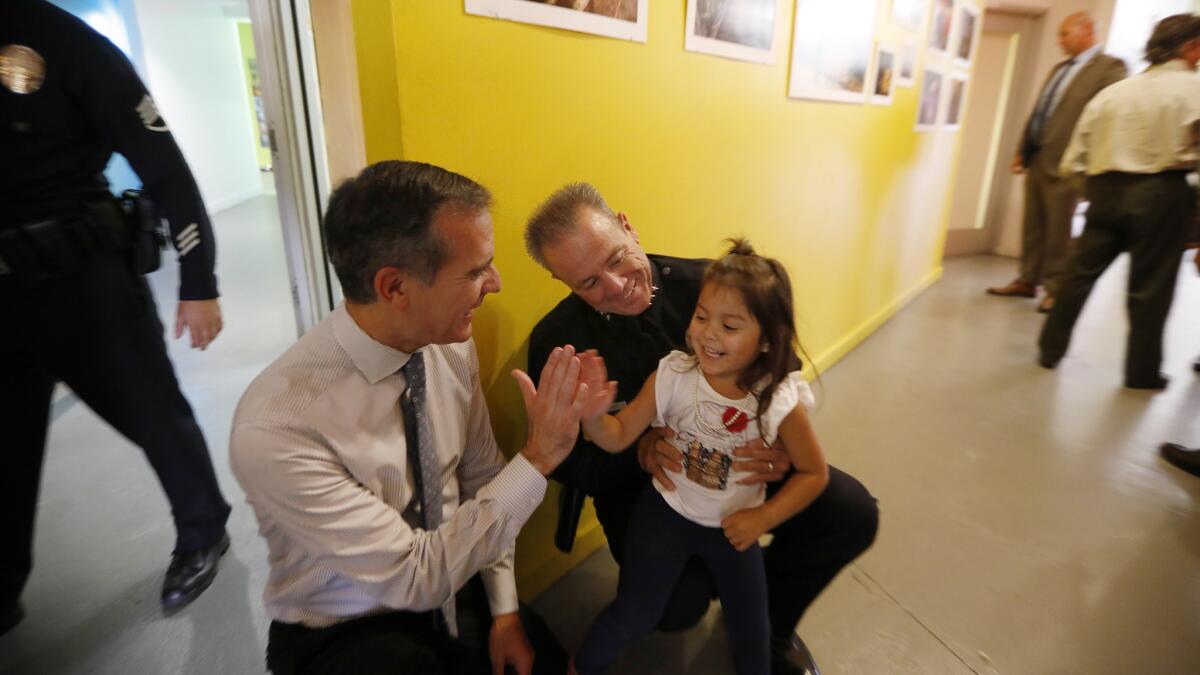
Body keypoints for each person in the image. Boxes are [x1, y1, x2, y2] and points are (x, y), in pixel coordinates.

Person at [230, 161, 580, 674]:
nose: (496, 284)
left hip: (454, 576)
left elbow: (482, 482)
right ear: (394, 287)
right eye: (476, 270)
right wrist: (540, 455)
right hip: (346, 624)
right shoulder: (277, 427)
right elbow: (415, 576)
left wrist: (504, 612)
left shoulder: (448, 345)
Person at [525, 183, 880, 675]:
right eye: (587, 283)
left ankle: (767, 622)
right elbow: (568, 459)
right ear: (561, 282)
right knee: (673, 608)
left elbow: (784, 368)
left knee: (850, 511)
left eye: (617, 257)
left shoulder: (712, 284)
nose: (615, 285)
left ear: (629, 226)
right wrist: (638, 449)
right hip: (644, 492)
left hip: (741, 462)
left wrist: (779, 446)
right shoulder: (558, 344)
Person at [0, 0, 232, 633]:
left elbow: (164, 168)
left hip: (83, 282)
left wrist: (199, 282)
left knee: (154, 412)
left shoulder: (60, 41)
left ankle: (203, 529)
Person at [570, 240, 829, 675]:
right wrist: (594, 417)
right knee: (635, 614)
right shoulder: (673, 373)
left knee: (752, 632)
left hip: (735, 530)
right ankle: (582, 664)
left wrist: (763, 519)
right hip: (665, 515)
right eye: (702, 316)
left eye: (730, 326)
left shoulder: (778, 399)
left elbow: (813, 473)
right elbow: (616, 437)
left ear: (767, 340)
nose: (708, 333)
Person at [1038, 14, 1200, 390]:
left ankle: (1049, 350)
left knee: (1078, 277)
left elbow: (1072, 161)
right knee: (1151, 288)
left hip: (1104, 192)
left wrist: (1095, 191)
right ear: (1190, 46)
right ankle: (1141, 372)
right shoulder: (1194, 91)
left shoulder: (1114, 93)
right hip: (1163, 194)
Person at [987, 12, 1126, 313]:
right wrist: (1022, 149)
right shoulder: (1058, 69)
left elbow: (1111, 116)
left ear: (1087, 32)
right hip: (1039, 158)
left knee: (1059, 231)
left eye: (1064, 34)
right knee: (1033, 225)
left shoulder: (1109, 68)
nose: (1059, 40)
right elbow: (1040, 112)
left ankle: (1055, 289)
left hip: (1070, 166)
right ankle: (1027, 280)